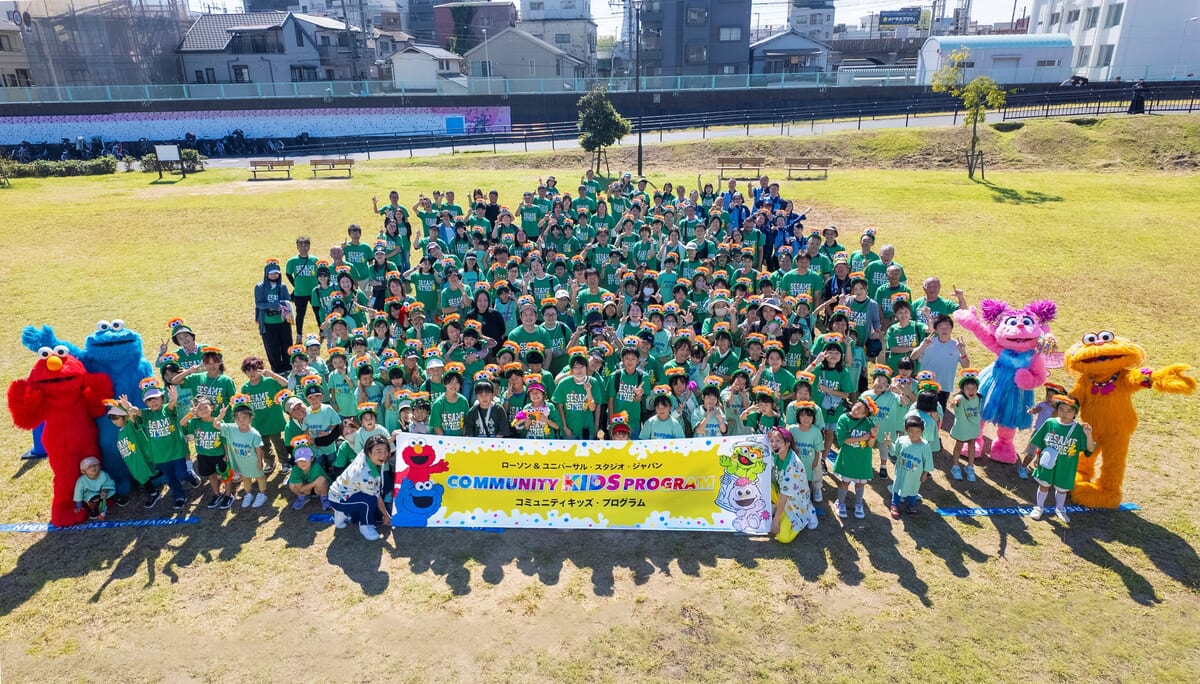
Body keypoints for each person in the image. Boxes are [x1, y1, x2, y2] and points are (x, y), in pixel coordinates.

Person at [1028, 394, 1095, 523]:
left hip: (1066, 465)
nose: (1064, 413)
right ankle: (1039, 507)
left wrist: (1089, 435)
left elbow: (1090, 449)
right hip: (1047, 463)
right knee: (1043, 485)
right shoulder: (1050, 423)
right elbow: (1041, 442)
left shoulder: (1078, 429)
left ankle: (1060, 508)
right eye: (1061, 409)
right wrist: (1037, 457)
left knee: (1061, 489)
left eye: (1069, 411)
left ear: (1075, 412)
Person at [131, 380, 190, 510]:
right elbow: (136, 412)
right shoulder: (146, 414)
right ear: (146, 403)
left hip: (176, 451)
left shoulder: (167, 409)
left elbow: (172, 406)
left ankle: (189, 475)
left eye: (156, 398)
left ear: (162, 399)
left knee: (182, 474)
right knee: (170, 477)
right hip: (160, 455)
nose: (153, 402)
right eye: (149, 400)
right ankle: (179, 496)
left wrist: (174, 399)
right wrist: (129, 407)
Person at [180, 396, 235, 510]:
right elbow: (182, 423)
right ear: (196, 411)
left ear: (212, 407)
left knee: (225, 475)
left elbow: (225, 439)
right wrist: (190, 414)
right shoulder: (194, 422)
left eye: (206, 407)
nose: (203, 410)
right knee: (211, 475)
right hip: (204, 455)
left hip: (219, 454)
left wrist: (227, 454)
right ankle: (217, 494)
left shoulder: (218, 421)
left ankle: (228, 495)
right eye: (200, 409)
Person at [769, 427, 817, 543]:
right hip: (782, 493)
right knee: (762, 482)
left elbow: (785, 494)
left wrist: (776, 520)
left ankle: (808, 512)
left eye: (778, 441)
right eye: (772, 441)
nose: (774, 444)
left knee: (783, 537)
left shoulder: (792, 466)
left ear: (787, 444)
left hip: (794, 501)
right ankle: (776, 508)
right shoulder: (777, 454)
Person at [833, 396, 878, 520]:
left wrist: (873, 436)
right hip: (848, 457)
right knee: (845, 482)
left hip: (863, 459)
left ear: (866, 415)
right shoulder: (843, 419)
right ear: (854, 403)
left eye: (862, 412)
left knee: (860, 484)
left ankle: (858, 503)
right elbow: (843, 440)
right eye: (857, 407)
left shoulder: (869, 423)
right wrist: (861, 438)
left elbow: (870, 445)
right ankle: (840, 503)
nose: (857, 412)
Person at [221, 395, 267, 509]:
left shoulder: (254, 434)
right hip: (242, 462)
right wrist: (220, 416)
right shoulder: (233, 430)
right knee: (246, 478)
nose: (241, 421)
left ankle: (262, 494)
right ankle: (248, 494)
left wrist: (260, 462)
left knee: (260, 477)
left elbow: (258, 449)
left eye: (244, 418)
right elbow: (216, 425)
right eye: (238, 419)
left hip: (254, 461)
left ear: (251, 417)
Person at [888, 415, 935, 519]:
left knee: (913, 488)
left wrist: (925, 473)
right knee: (897, 486)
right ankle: (894, 504)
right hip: (901, 471)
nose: (914, 434)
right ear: (905, 430)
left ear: (922, 431)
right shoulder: (901, 440)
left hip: (915, 474)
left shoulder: (925, 445)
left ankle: (911, 505)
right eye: (911, 431)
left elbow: (927, 461)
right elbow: (895, 452)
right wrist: (889, 445)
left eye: (917, 432)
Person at [1018, 382, 1066, 479]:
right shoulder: (1043, 405)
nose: (1049, 399)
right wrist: (1032, 411)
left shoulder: (1059, 411)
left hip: (1051, 435)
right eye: (1048, 396)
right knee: (1031, 452)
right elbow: (1037, 409)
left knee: (1045, 453)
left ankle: (1038, 465)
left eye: (1052, 397)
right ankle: (1022, 468)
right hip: (1038, 433)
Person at [254, 259, 293, 373]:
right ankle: (277, 370)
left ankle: (289, 368)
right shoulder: (260, 287)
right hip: (268, 323)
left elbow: (287, 300)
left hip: (283, 321)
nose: (274, 275)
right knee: (272, 348)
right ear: (266, 274)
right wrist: (273, 305)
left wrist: (281, 305)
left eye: (276, 273)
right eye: (271, 273)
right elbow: (259, 303)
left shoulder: (282, 286)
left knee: (286, 345)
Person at [947, 369, 983, 482]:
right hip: (962, 428)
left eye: (974, 389)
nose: (971, 391)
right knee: (959, 446)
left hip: (973, 426)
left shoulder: (978, 398)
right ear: (962, 390)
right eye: (968, 389)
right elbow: (955, 400)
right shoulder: (960, 398)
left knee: (972, 445)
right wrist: (954, 402)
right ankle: (955, 467)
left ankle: (970, 467)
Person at [285, 237, 319, 342]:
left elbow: (320, 274)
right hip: (300, 293)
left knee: (317, 312)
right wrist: (295, 284)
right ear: (297, 247)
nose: (303, 248)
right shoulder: (292, 261)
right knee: (300, 314)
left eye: (305, 245)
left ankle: (322, 331)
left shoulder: (314, 260)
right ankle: (299, 334)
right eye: (300, 245)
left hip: (313, 292)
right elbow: (288, 274)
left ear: (309, 246)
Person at [287, 437, 330, 511]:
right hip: (308, 487)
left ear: (312, 459)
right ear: (296, 461)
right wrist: (313, 484)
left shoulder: (316, 467)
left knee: (322, 481)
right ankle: (302, 497)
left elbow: (320, 482)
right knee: (291, 484)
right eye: (299, 460)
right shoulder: (295, 469)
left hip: (318, 489)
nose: (302, 463)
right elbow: (302, 489)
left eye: (305, 460)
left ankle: (324, 498)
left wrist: (306, 488)